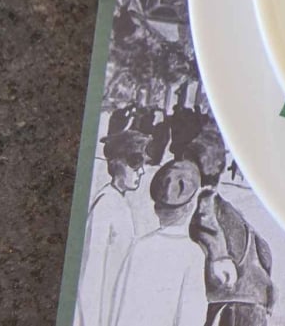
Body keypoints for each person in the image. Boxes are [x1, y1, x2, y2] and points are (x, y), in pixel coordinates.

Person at [182, 129, 275, 324]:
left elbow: (209, 234)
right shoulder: (227, 207)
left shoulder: (203, 204)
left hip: (231, 306)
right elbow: (263, 249)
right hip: (255, 301)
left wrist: (219, 257)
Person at [109, 160, 209, 326]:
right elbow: (192, 319)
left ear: (156, 209)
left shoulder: (139, 247)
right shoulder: (193, 254)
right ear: (191, 206)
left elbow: (118, 307)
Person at [76, 129, 149, 326]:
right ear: (117, 165)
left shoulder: (119, 202)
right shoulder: (105, 205)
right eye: (135, 164)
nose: (141, 171)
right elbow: (90, 274)